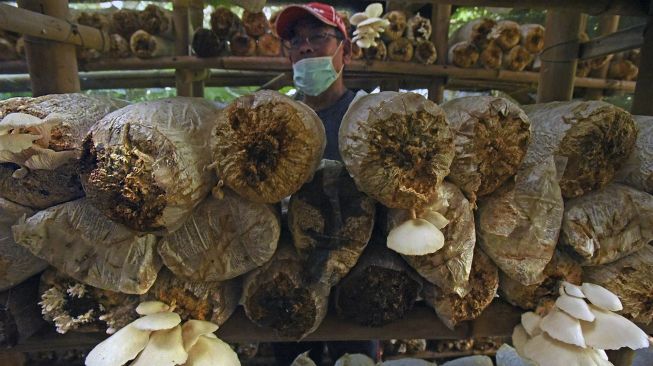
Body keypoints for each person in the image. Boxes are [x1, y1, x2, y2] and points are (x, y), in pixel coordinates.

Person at [271, 2, 380, 364]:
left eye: (318, 36)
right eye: (295, 40)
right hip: (292, 278)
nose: (305, 47)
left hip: (359, 278)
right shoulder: (277, 121)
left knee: (357, 358)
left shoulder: (367, 116)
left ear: (345, 51)